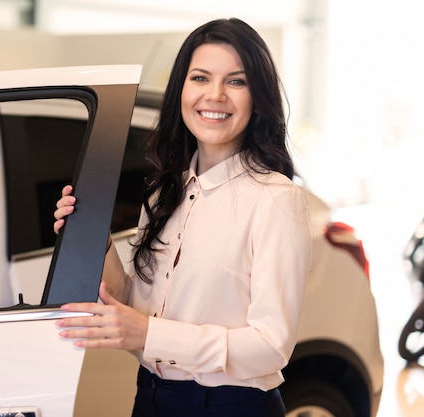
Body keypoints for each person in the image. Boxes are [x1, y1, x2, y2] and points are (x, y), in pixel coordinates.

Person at [53, 17, 311, 417]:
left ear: (258, 98)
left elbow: (271, 345)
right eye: (201, 78)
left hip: (231, 406)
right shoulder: (163, 191)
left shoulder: (275, 199)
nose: (216, 95)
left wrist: (150, 334)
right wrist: (93, 239)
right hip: (152, 399)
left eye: (236, 82)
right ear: (181, 91)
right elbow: (135, 308)